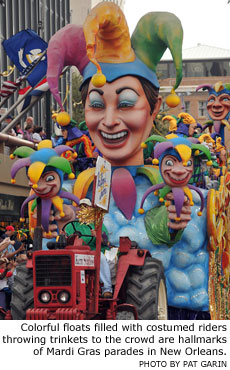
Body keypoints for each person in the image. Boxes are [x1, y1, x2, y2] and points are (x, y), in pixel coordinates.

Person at [64, 198, 113, 298]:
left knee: (101, 258)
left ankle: (106, 289)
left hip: (92, 251)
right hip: (75, 252)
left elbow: (106, 241)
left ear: (90, 209)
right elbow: (66, 238)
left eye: (85, 207)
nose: (83, 209)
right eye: (81, 207)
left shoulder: (97, 224)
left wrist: (97, 235)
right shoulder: (71, 225)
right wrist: (67, 237)